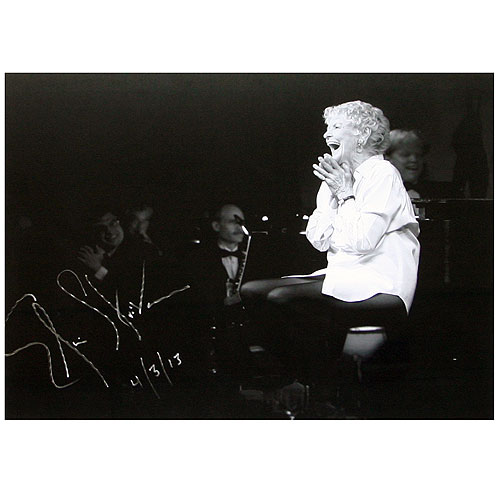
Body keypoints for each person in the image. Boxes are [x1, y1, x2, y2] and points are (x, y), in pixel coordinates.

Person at [241, 101, 420, 382]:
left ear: (362, 135)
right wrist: (334, 195)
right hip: (344, 273)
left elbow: (362, 241)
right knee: (250, 291)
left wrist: (346, 195)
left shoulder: (383, 174)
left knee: (280, 298)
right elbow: (319, 240)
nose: (327, 134)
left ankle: (314, 380)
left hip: (381, 280)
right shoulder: (337, 176)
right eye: (328, 127)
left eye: (336, 127)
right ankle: (301, 374)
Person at [385, 129, 454, 199]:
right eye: (405, 155)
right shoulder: (381, 190)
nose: (414, 160)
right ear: (388, 159)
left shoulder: (439, 192)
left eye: (418, 155)